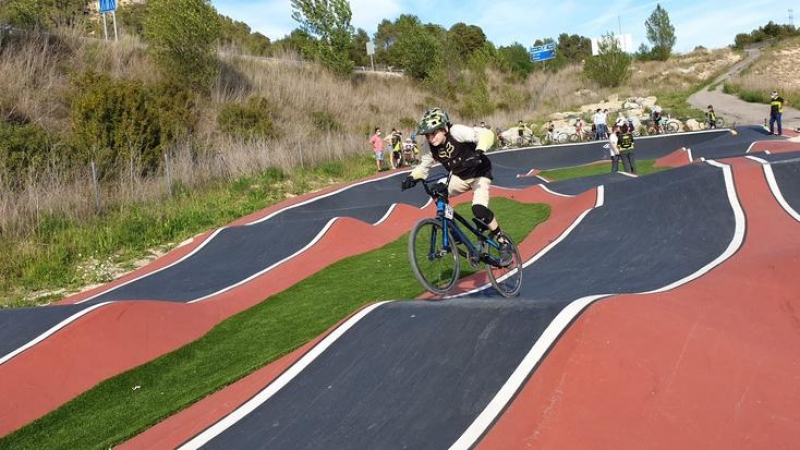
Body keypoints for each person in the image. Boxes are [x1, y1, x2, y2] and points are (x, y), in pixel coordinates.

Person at [401, 107, 512, 263]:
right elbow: (424, 167)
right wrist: (411, 177)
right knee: (437, 191)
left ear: (444, 129)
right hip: (459, 176)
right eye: (427, 135)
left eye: (433, 133)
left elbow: (487, 135)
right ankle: (452, 229)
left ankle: (503, 242)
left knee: (479, 210)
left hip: (480, 173)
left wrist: (478, 153)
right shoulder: (428, 147)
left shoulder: (457, 131)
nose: (430, 138)